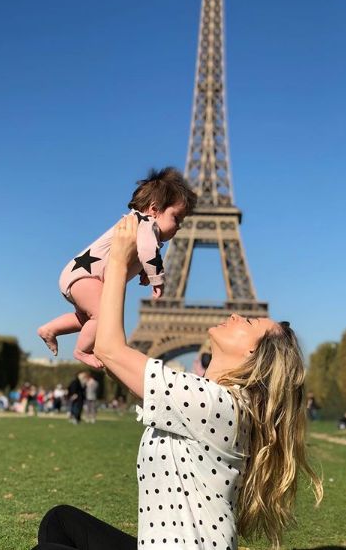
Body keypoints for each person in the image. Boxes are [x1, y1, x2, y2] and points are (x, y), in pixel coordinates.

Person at [32, 215, 323, 550]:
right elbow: (117, 364)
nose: (234, 314)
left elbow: (111, 350)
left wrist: (118, 264)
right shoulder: (211, 399)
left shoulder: (215, 403)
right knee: (60, 521)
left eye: (248, 321)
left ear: (252, 353)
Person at [37, 167, 197, 368]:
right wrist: (157, 278)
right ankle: (81, 350)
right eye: (176, 218)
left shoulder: (139, 226)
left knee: (88, 319)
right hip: (86, 278)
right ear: (154, 209)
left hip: (81, 276)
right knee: (105, 315)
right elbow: (147, 250)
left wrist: (143, 270)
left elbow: (140, 252)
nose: (179, 226)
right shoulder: (146, 223)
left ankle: (50, 329)